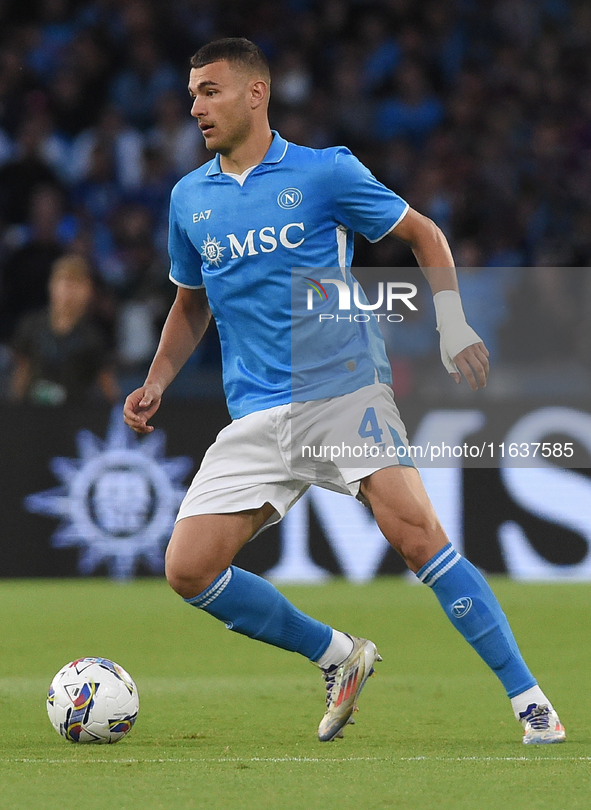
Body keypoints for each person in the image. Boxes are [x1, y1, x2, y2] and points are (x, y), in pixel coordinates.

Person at [123, 38, 564, 745]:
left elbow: (424, 234)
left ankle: (530, 703)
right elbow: (189, 303)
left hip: (339, 391)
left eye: (209, 91)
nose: (195, 107)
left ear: (255, 93)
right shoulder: (189, 199)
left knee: (418, 539)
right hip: (256, 412)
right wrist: (156, 382)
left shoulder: (324, 173)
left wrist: (450, 324)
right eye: (192, 94)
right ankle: (336, 655)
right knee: (188, 569)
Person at [10, 253, 120, 405]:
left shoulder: (94, 337)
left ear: (88, 290)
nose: (68, 290)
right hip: (33, 415)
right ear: (52, 285)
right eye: (63, 281)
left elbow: (109, 388)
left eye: (76, 283)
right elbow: (20, 374)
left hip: (76, 416)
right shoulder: (31, 326)